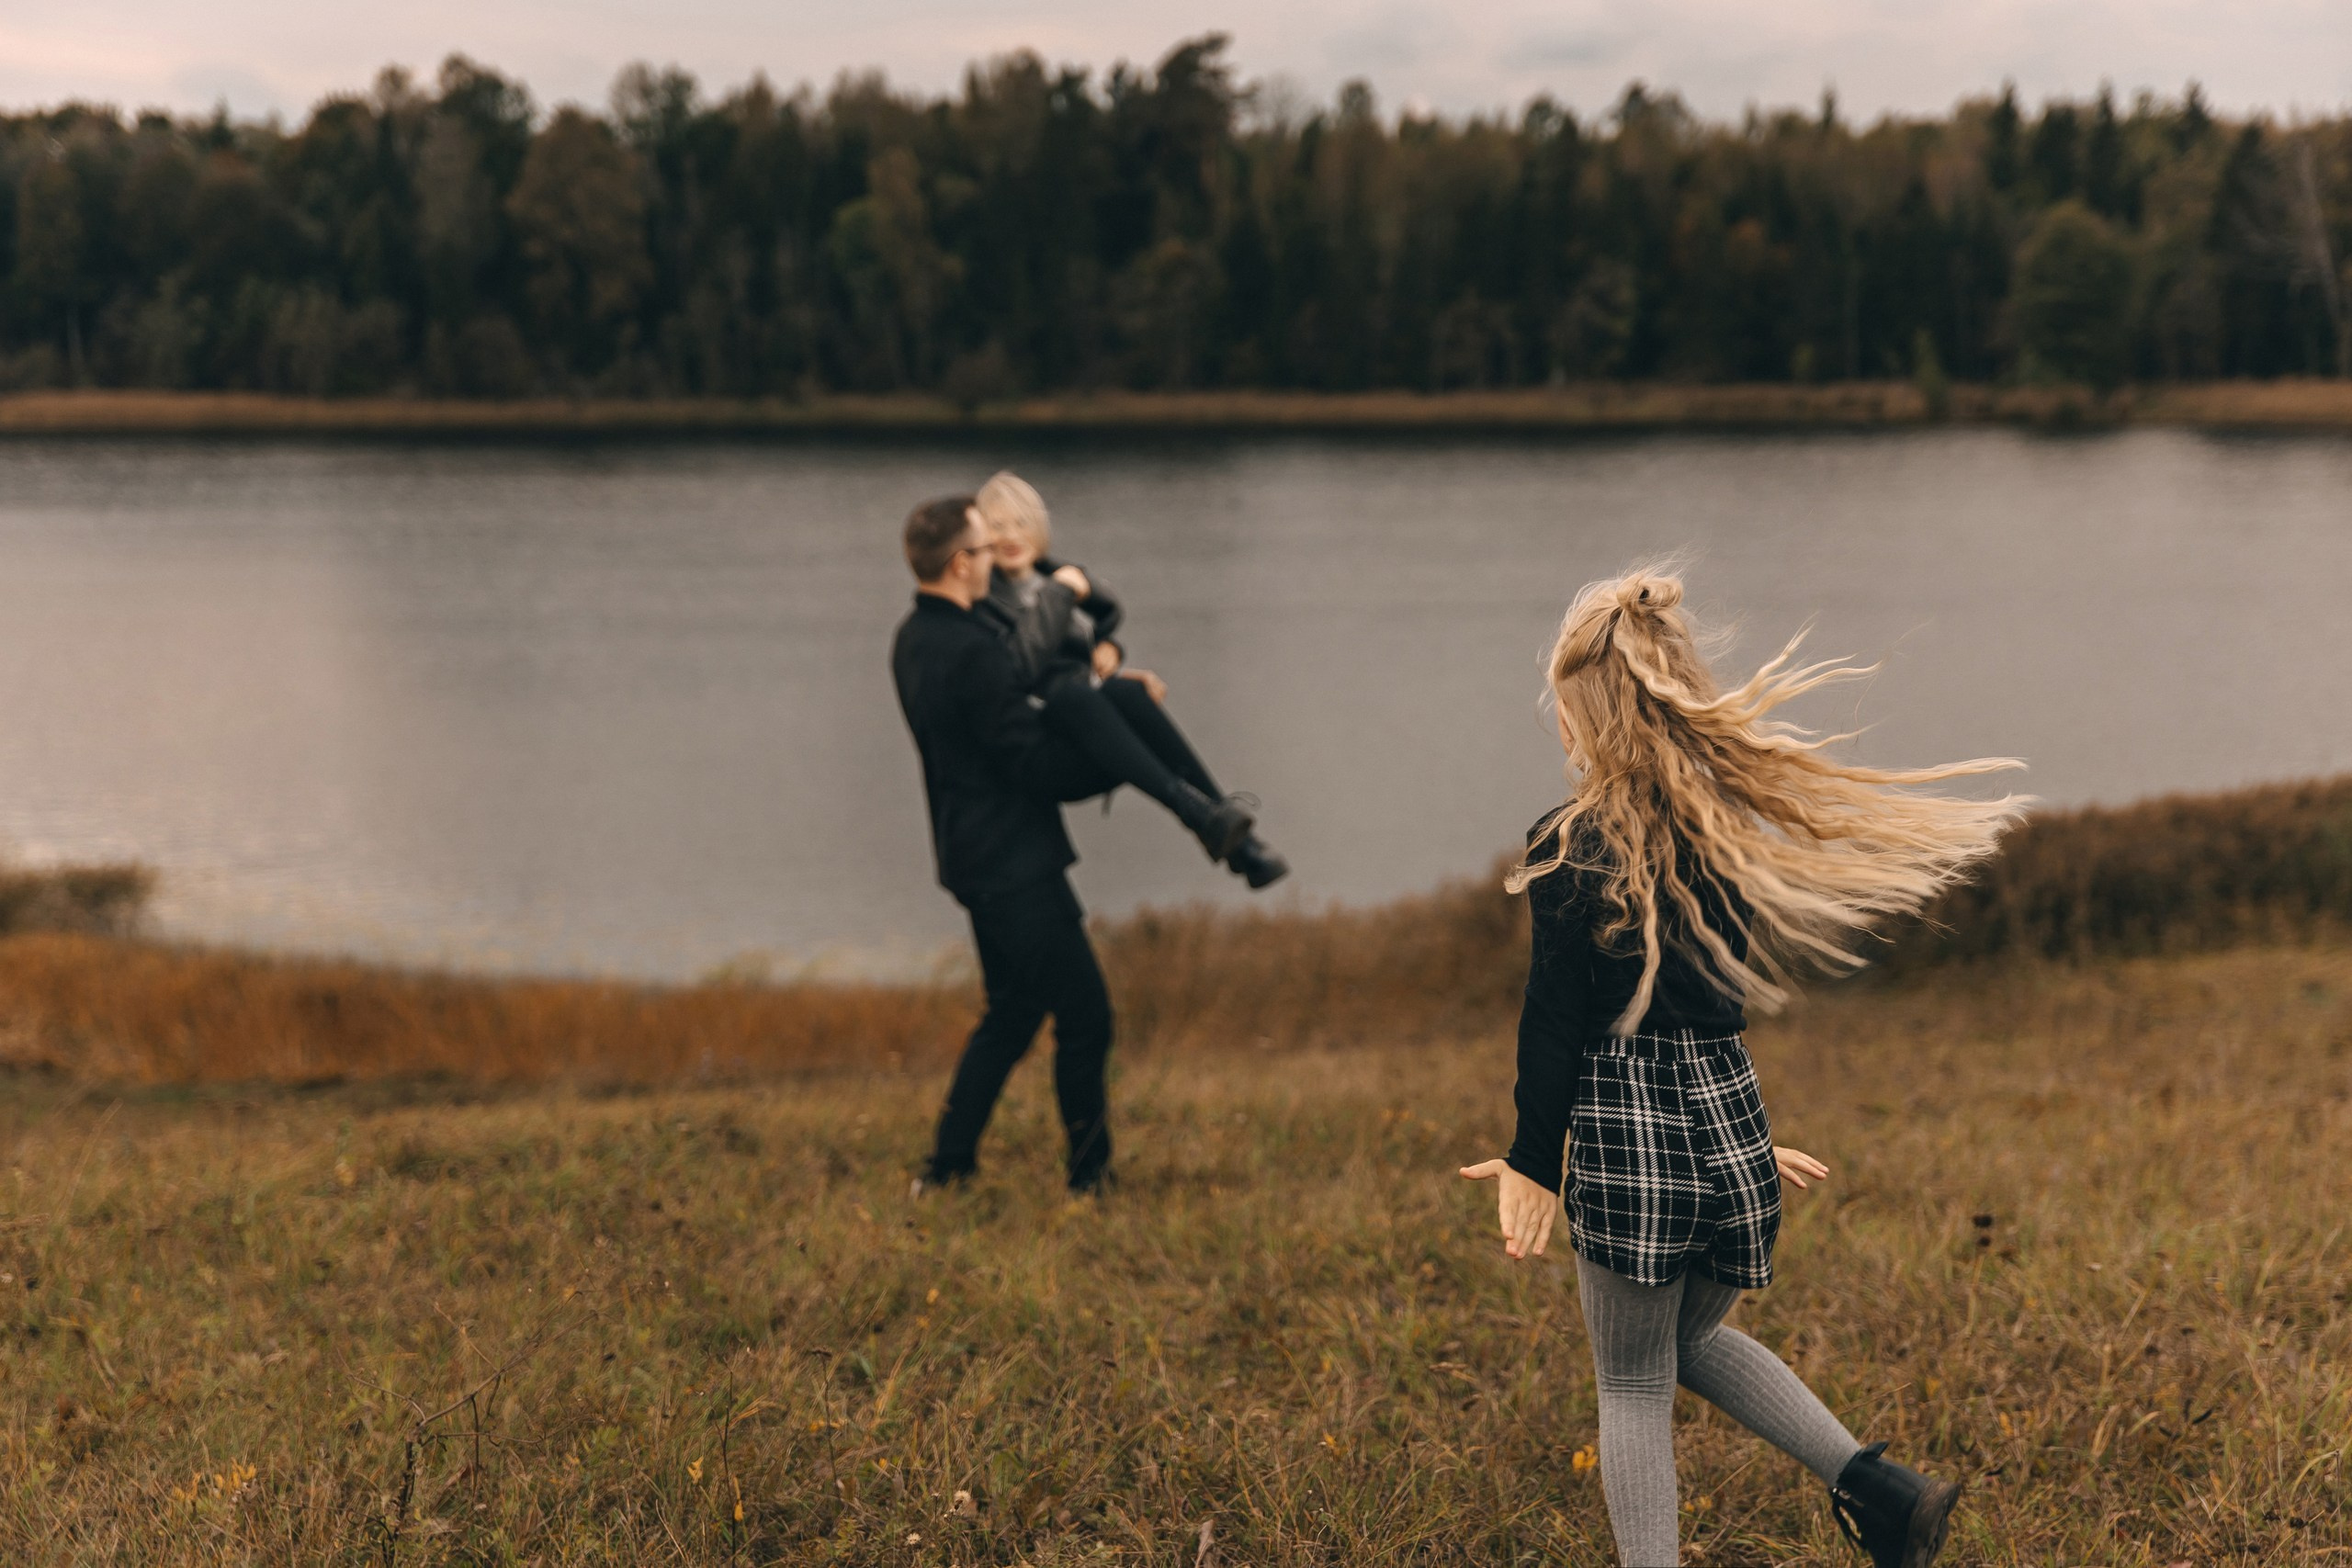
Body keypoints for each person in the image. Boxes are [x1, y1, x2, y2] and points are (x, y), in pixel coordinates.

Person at [1459, 565, 2023, 1567]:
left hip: (1636, 1135)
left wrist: (1530, 1162)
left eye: (1561, 703)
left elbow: (1554, 1023)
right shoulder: (1722, 837)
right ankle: (1882, 1494)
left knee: (1631, 1383)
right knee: (1681, 1345)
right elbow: (1703, 1012)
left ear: (1587, 714)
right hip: (1725, 1118)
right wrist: (1745, 1143)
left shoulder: (1569, 844)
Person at [891, 494, 1204, 1197]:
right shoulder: (970, 651)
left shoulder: (914, 637)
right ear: (958, 562)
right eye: (980, 545)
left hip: (972, 854)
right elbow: (1033, 765)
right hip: (1012, 863)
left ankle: (946, 1171)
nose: (992, 554)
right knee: (1087, 1017)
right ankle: (1089, 1179)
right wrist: (1119, 752)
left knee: (1012, 1012)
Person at [971, 470, 1288, 889]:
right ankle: (1197, 815)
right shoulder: (986, 598)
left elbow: (1109, 612)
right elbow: (1024, 662)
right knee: (1074, 697)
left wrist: (1109, 647)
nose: (1011, 535)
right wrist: (1058, 595)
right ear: (979, 535)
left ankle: (1234, 838)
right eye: (997, 526)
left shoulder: (1059, 574)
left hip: (1087, 714)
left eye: (1021, 523)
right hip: (1042, 727)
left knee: (1128, 690)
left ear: (1040, 529)